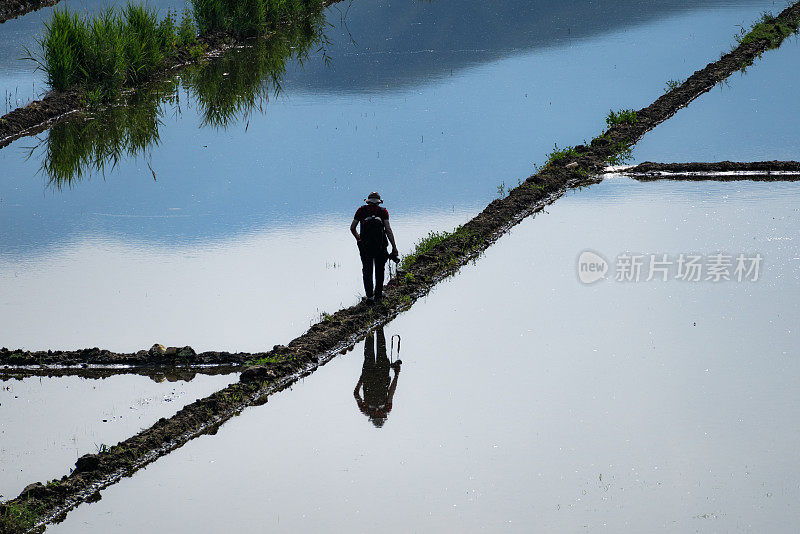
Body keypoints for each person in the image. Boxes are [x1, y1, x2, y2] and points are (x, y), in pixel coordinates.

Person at [350, 192, 398, 303]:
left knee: (367, 270)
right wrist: (394, 247)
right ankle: (378, 294)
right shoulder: (383, 211)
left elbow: (352, 228)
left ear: (368, 201)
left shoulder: (361, 211)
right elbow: (388, 230)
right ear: (378, 202)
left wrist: (359, 239)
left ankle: (369, 296)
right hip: (381, 247)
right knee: (380, 270)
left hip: (365, 247)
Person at [353, 327, 401, 428]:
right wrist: (397, 375)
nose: (379, 414)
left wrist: (362, 378)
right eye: (381, 416)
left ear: (372, 416)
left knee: (369, 350)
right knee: (381, 349)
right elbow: (391, 392)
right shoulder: (387, 408)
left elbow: (356, 394)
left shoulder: (365, 409)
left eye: (377, 416)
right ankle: (379, 325)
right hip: (382, 374)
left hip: (368, 374)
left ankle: (370, 327)